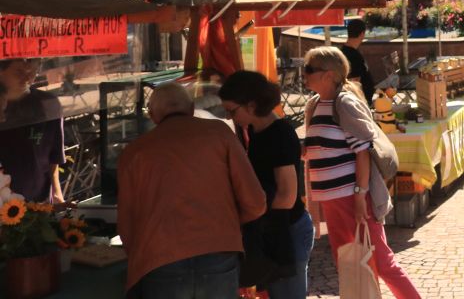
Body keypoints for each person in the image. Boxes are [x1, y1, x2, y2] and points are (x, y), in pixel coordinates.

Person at [118, 82, 267, 297]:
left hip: (159, 261)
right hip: (218, 252)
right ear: (190, 109)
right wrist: (226, 223)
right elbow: (255, 203)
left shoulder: (134, 152)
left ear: (152, 115)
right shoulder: (219, 134)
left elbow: (126, 224)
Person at [301, 47, 422, 299]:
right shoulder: (314, 104)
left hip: (352, 197)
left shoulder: (343, 102)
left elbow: (363, 150)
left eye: (309, 69)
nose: (304, 74)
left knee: (381, 261)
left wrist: (359, 195)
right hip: (332, 199)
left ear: (328, 74)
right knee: (349, 263)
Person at [219, 71, 313, 299]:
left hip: (287, 229)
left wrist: (250, 214)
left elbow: (287, 196)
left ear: (251, 105)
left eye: (232, 111)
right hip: (277, 227)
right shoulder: (255, 130)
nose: (231, 117)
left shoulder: (278, 134)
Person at [0, 58, 65, 204]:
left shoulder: (48, 104)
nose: (27, 77)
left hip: (38, 201)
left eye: (31, 71)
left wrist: (57, 193)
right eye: (19, 72)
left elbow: (54, 156)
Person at [337, 17, 376, 101]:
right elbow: (354, 82)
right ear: (362, 34)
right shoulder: (353, 56)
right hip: (359, 101)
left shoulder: (344, 51)